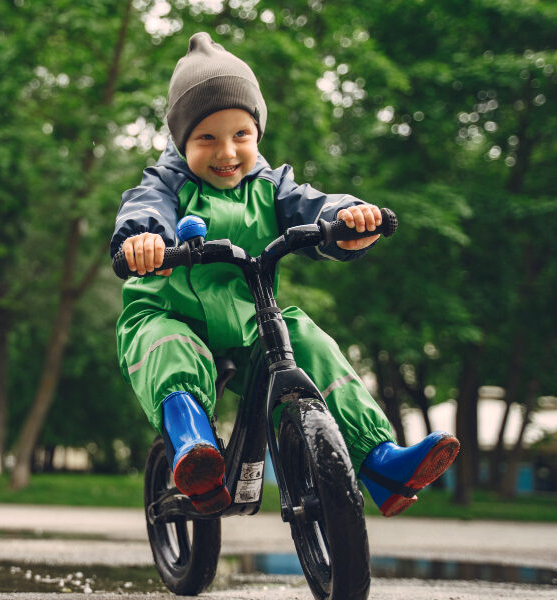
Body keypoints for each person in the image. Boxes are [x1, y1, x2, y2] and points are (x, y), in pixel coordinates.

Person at [110, 32, 459, 516]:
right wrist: (144, 239)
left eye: (241, 135)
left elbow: (314, 208)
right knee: (171, 352)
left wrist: (348, 220)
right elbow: (144, 209)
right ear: (180, 140)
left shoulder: (273, 186)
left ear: (258, 135)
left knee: (310, 343)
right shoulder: (166, 183)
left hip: (251, 319)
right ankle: (194, 450)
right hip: (170, 313)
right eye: (206, 138)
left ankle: (382, 463)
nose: (226, 151)